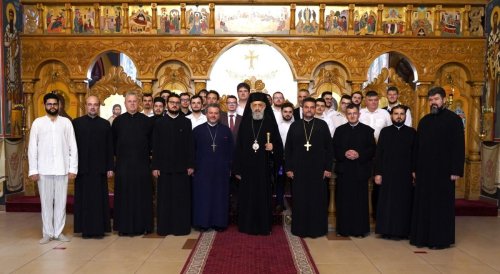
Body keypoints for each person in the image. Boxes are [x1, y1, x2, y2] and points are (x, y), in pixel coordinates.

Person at [410, 87, 465, 250]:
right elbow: (417, 147)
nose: (433, 102)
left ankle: (439, 240)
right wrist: (414, 168)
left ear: (443, 100)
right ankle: (422, 237)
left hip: (444, 172)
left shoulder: (454, 120)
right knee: (423, 204)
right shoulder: (424, 121)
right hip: (424, 171)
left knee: (440, 206)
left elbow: (458, 147)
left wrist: (456, 170)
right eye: (431, 100)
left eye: (436, 99)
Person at [28, 92, 78, 244]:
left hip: (62, 169)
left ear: (59, 105)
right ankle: (47, 233)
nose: (52, 106)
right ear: (44, 105)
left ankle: (59, 232)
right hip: (43, 170)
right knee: (46, 202)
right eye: (49, 104)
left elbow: (73, 147)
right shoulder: (38, 123)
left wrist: (73, 168)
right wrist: (33, 170)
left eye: (55, 104)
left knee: (61, 203)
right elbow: (32, 148)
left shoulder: (66, 123)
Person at [233, 92, 283, 235]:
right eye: (254, 105)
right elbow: (239, 147)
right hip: (247, 170)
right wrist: (238, 169)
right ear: (250, 107)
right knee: (247, 197)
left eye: (260, 105)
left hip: (264, 168)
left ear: (265, 107)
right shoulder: (245, 124)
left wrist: (273, 148)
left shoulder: (270, 123)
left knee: (263, 196)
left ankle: (263, 226)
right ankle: (246, 225)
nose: (257, 108)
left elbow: (279, 146)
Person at [285, 98, 333, 238]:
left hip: (318, 170)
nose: (309, 110)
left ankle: (317, 229)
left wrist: (328, 168)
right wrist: (288, 168)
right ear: (302, 108)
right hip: (298, 170)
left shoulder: (322, 125)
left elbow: (329, 148)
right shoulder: (295, 126)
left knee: (317, 200)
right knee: (300, 200)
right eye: (307, 107)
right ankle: (300, 229)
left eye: (312, 107)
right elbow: (288, 149)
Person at [152, 94, 195, 236]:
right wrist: (155, 166)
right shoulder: (159, 123)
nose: (175, 105)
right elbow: (155, 146)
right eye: (172, 102)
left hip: (182, 169)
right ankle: (164, 228)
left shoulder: (186, 122)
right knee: (164, 200)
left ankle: (181, 228)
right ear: (167, 104)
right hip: (164, 168)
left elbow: (190, 146)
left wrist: (190, 165)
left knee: (181, 200)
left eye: (177, 103)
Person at [112, 91, 154, 236]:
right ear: (125, 104)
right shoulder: (118, 122)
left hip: (142, 165)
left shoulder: (147, 121)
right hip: (123, 166)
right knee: (124, 196)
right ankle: (124, 227)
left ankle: (143, 225)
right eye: (129, 101)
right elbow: (113, 144)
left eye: (135, 101)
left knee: (142, 196)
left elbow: (151, 144)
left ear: (139, 103)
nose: (132, 104)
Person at [73, 96, 113, 239]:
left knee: (99, 200)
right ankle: (84, 229)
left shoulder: (105, 124)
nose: (92, 107)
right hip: (82, 169)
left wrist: (110, 167)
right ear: (85, 106)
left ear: (99, 107)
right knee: (84, 200)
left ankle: (99, 229)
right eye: (90, 104)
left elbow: (110, 147)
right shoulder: (76, 124)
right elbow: (72, 147)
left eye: (95, 105)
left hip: (99, 169)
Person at [374, 105, 416, 240]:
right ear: (391, 116)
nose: (399, 116)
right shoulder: (385, 132)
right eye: (396, 114)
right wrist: (378, 173)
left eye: (401, 114)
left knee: (403, 203)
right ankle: (386, 230)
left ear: (405, 116)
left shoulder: (412, 133)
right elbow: (379, 154)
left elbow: (416, 155)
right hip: (388, 173)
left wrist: (415, 171)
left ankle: (403, 231)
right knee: (388, 202)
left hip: (405, 173)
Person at [333, 104, 375, 237]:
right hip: (344, 170)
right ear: (346, 115)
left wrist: (359, 154)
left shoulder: (368, 131)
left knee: (360, 202)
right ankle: (343, 229)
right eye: (349, 113)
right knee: (343, 201)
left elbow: (372, 150)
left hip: (360, 171)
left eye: (354, 113)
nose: (352, 115)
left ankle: (360, 230)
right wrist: (344, 153)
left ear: (359, 114)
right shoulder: (339, 130)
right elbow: (334, 149)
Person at [192, 104, 233, 231]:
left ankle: (219, 223)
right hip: (202, 171)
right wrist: (193, 167)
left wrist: (230, 167)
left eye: (216, 113)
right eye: (211, 113)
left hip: (221, 171)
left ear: (219, 115)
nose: (213, 115)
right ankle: (203, 223)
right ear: (206, 114)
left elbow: (231, 151)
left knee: (220, 197)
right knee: (203, 197)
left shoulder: (226, 130)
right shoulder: (197, 130)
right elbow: (192, 151)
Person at [359, 90, 391, 220]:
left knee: (378, 183)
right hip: (363, 153)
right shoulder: (359, 112)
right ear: (365, 101)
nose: (373, 103)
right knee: (363, 183)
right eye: (370, 100)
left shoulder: (385, 114)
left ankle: (377, 215)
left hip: (380, 153)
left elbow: (390, 131)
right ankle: (362, 214)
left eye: (376, 100)